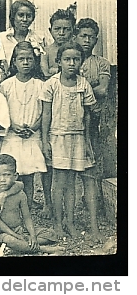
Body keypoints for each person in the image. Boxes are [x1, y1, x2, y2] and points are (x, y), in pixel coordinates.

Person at [40, 42, 103, 242]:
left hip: (78, 138)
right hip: (58, 137)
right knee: (60, 182)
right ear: (59, 61)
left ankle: (70, 221)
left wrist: (87, 141)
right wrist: (45, 141)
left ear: (81, 62)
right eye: (67, 59)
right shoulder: (51, 84)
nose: (71, 63)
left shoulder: (83, 84)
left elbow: (89, 115)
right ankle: (58, 224)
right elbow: (46, 115)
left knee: (74, 182)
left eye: (76, 59)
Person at [0, 42, 47, 211]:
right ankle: (13, 206)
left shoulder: (40, 85)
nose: (25, 62)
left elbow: (44, 112)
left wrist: (34, 127)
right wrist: (13, 126)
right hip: (13, 135)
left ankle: (27, 204)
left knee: (30, 173)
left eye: (29, 59)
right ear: (14, 62)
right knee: (13, 171)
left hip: (32, 135)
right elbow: (2, 111)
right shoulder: (6, 85)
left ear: (34, 62)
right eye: (21, 59)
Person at [0, 154, 64, 254]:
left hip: (20, 229)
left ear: (15, 176)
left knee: (50, 234)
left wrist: (32, 235)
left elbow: (27, 217)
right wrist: (14, 235)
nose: (2, 179)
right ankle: (42, 249)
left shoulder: (20, 194)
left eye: (6, 175)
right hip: (3, 233)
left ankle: (24, 245)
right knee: (9, 240)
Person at [75, 18, 111, 214]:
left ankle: (95, 201)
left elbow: (103, 89)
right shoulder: (70, 58)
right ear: (76, 36)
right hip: (71, 117)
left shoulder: (101, 63)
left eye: (91, 37)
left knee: (93, 157)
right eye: (83, 36)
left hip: (94, 118)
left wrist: (79, 88)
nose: (87, 40)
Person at [0, 0, 46, 64]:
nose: (25, 19)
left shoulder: (39, 38)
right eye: (21, 15)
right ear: (13, 16)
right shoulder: (1, 38)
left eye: (28, 16)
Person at [40, 8, 76, 79]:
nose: (61, 33)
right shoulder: (46, 51)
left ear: (73, 31)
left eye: (66, 29)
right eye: (57, 29)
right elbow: (46, 74)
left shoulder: (77, 50)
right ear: (50, 30)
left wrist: (54, 70)